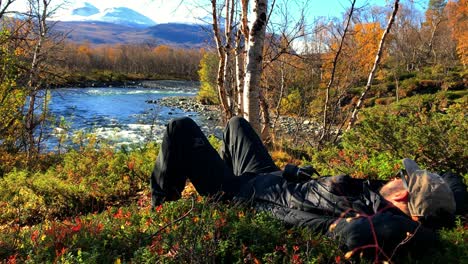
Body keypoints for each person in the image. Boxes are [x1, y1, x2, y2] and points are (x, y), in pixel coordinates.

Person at [150, 116, 467, 260]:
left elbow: (356, 235)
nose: (396, 175)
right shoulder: (381, 197)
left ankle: (162, 207)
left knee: (180, 128)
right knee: (236, 125)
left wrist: (421, 229)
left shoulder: (375, 219)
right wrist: (295, 175)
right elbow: (454, 180)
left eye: (402, 177)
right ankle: (212, 176)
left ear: (402, 195)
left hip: (242, 193)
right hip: (271, 177)